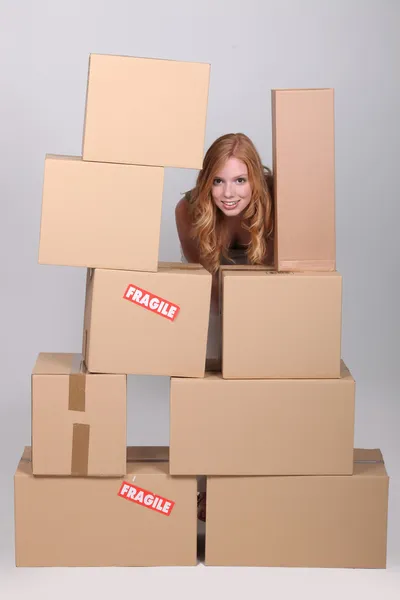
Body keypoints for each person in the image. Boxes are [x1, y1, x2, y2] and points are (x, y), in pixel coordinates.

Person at [175, 132, 275, 521]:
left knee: (260, 397)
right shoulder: (188, 209)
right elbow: (207, 286)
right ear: (206, 183)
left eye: (239, 180)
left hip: (267, 308)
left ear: (256, 181)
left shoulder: (277, 204)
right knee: (210, 393)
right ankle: (207, 486)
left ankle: (253, 483)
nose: (228, 193)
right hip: (219, 307)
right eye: (218, 181)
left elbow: (285, 281)